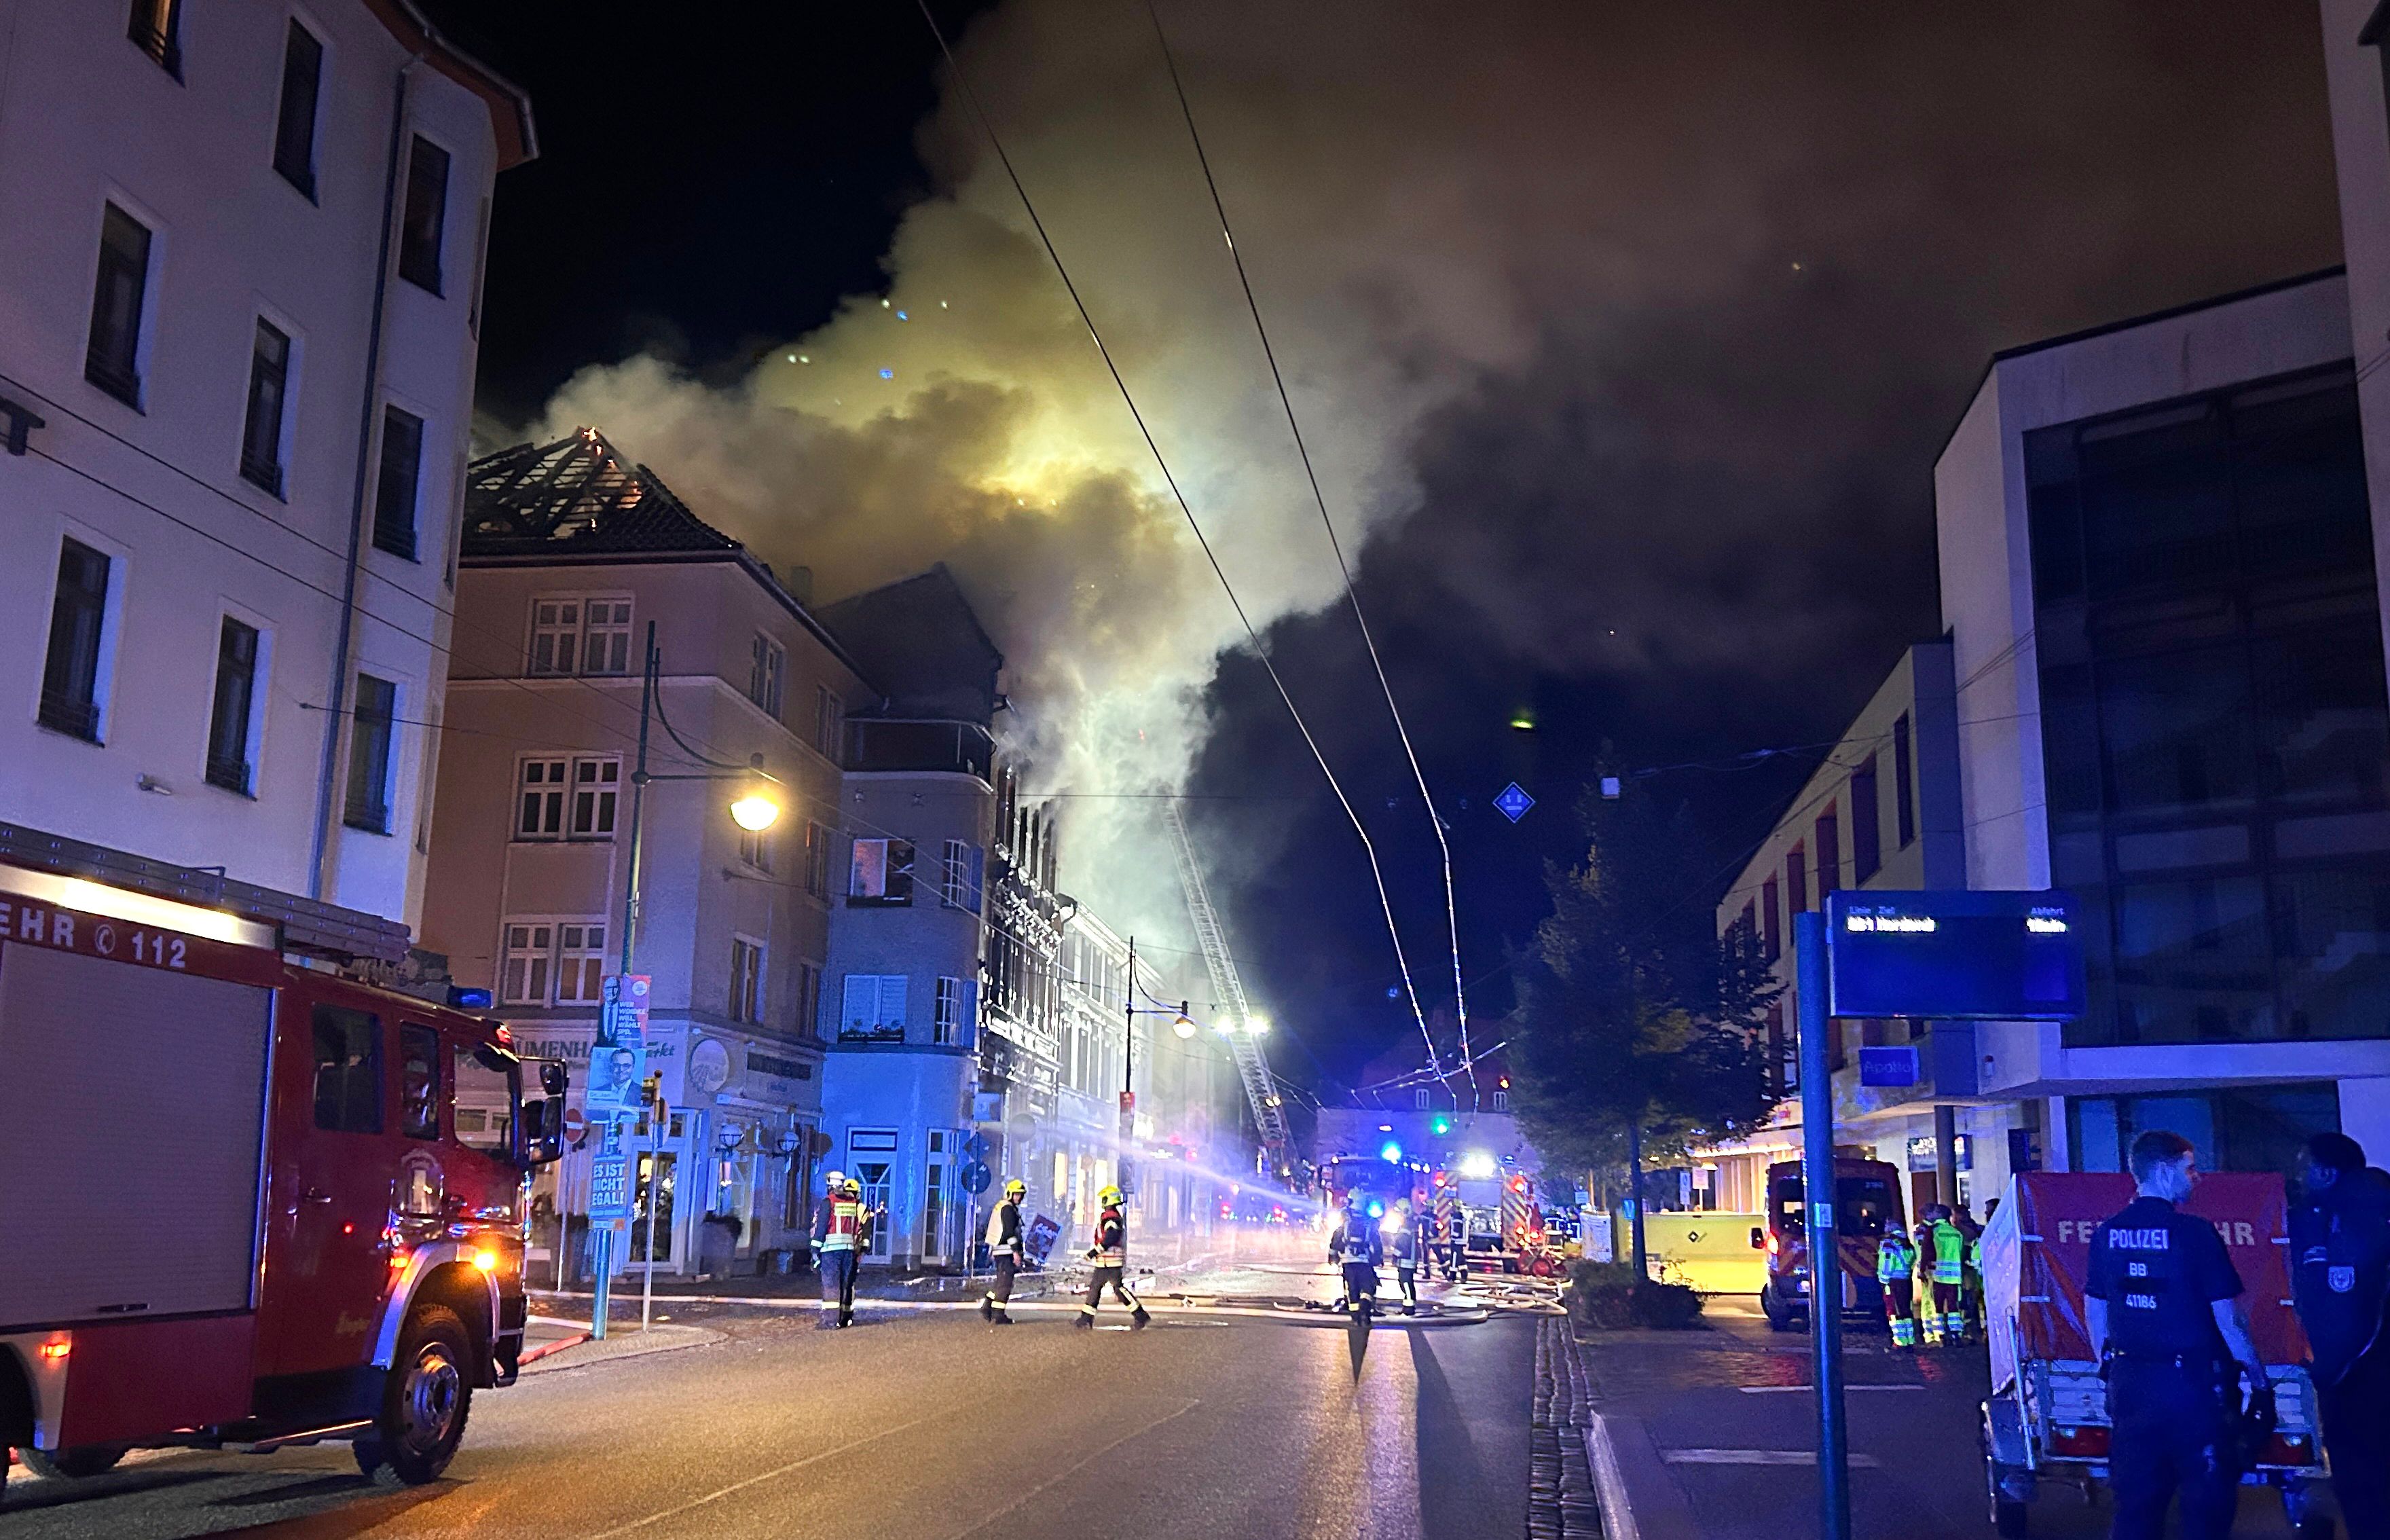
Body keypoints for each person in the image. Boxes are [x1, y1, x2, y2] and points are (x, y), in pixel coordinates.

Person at [2087, 1131, 2268, 1540]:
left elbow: (2095, 1311)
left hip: (2130, 1386)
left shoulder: (2106, 1233)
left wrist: (2107, 1369)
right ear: (2165, 1172)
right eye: (2190, 1168)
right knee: (2205, 1508)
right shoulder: (2195, 1234)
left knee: (2135, 1507)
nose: (2196, 1177)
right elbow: (2230, 1321)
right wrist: (2259, 1380)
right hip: (2191, 1390)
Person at [2288, 1132, 2390, 1539]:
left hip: (2358, 1380)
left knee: (2362, 1478)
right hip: (2370, 1374)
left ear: (2328, 1173)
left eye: (2304, 1165)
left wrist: (2329, 1370)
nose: (2298, 1175)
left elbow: (2348, 1310)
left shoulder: (2346, 1223)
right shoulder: (2370, 1212)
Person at [1076, 1184, 1148, 1329]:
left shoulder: (1112, 1218)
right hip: (1105, 1262)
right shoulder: (1111, 1217)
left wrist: (1094, 1252)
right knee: (1095, 1288)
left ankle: (1140, 1315)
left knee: (1118, 1289)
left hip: (1111, 1262)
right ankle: (1086, 1319)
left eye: (1104, 1199)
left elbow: (1110, 1238)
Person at [811, 1171, 865, 1327]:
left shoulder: (828, 1202)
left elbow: (821, 1228)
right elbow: (856, 1226)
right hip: (848, 1251)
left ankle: (829, 1321)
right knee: (844, 1284)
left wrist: (814, 1250)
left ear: (831, 1185)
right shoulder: (852, 1202)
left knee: (831, 1285)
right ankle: (842, 1319)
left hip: (831, 1251)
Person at [1328, 1192, 1385, 1319]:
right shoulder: (1369, 1221)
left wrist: (1332, 1255)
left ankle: (1354, 1313)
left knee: (1352, 1287)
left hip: (1347, 1260)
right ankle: (1365, 1306)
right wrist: (1378, 1258)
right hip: (1364, 1260)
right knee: (1369, 1285)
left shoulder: (1346, 1219)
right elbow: (1376, 1241)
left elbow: (1336, 1237)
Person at [980, 1177, 1029, 1325]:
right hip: (1006, 1252)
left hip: (1001, 1251)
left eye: (1020, 1195)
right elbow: (1009, 1232)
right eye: (1016, 1194)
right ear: (1009, 1193)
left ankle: (988, 1305)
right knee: (1006, 1284)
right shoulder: (1008, 1209)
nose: (1018, 1197)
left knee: (1001, 1282)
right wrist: (1015, 1252)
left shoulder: (1002, 1206)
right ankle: (998, 1315)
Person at [1924, 1205, 1968, 1345]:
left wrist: (1923, 1270)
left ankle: (1941, 1334)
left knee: (1938, 1305)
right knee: (1953, 1306)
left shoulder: (1933, 1231)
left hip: (1938, 1275)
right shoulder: (1957, 1233)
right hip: (1955, 1276)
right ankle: (1956, 1334)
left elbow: (1927, 1252)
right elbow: (1961, 1254)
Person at [1876, 1223, 1919, 1350]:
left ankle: (1899, 1342)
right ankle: (1910, 1340)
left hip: (1892, 1282)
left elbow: (1887, 1264)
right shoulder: (1907, 1245)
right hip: (1905, 1281)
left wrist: (1883, 1280)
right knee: (1906, 1310)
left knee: (1893, 1312)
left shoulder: (1889, 1244)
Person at [1386, 1198, 1423, 1315]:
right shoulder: (1410, 1224)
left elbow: (1402, 1244)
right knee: (1405, 1282)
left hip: (1406, 1260)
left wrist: (1395, 1256)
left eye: (1399, 1212)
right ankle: (1408, 1305)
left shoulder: (1407, 1225)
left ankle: (1409, 1307)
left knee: (1406, 1282)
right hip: (1408, 1259)